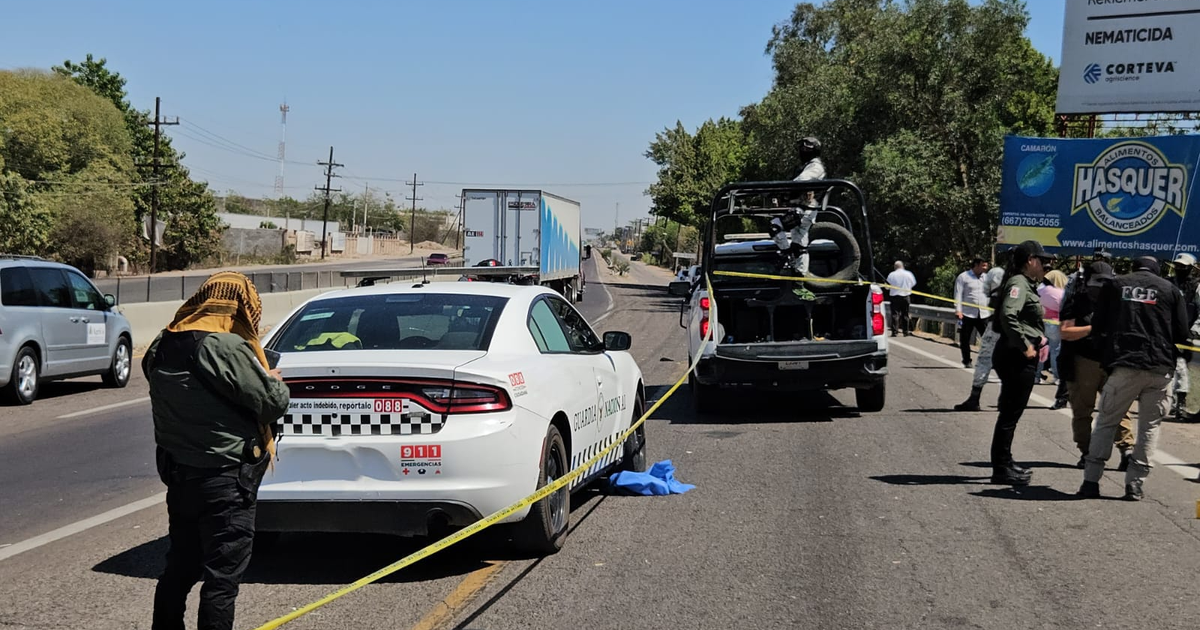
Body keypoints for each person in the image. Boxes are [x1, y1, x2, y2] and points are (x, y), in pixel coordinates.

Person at [147, 271, 291, 630]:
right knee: (221, 580)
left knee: (180, 567)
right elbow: (272, 403)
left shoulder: (161, 343)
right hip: (226, 481)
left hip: (180, 476)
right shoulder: (224, 347)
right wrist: (274, 381)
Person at [1078, 256, 1190, 501]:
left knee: (1107, 422)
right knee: (1149, 428)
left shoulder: (1116, 285)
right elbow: (1182, 331)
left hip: (1124, 366)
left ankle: (1090, 481)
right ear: (1157, 270)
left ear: (1133, 268)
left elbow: (1098, 325)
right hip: (1160, 368)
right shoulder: (1171, 290)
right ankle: (1135, 485)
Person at [1059, 261, 1134, 470]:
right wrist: (1093, 328)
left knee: (1119, 408)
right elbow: (1065, 332)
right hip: (1083, 362)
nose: (1102, 287)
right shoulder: (1077, 301)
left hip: (1112, 362)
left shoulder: (1118, 302)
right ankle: (1087, 452)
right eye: (1098, 281)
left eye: (1107, 282)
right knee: (1083, 411)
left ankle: (1126, 450)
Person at [989, 240, 1052, 485]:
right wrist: (1025, 344)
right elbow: (1008, 314)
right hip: (1015, 355)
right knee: (1010, 414)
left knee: (1010, 413)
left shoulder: (1026, 284)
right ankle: (1001, 469)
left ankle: (1005, 461)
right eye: (1041, 260)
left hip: (1014, 353)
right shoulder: (1018, 283)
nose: (1045, 265)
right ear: (1030, 260)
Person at [953, 265, 1006, 411]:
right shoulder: (1025, 279)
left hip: (999, 324)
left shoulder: (999, 274)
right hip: (1015, 328)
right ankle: (1005, 400)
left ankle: (974, 398)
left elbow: (992, 299)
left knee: (984, 358)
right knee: (1007, 364)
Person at [1168, 253, 1200, 422]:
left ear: (1191, 268)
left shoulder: (1197, 287)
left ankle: (1182, 404)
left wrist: (1194, 331)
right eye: (1177, 266)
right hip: (1167, 334)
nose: (1179, 269)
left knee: (1185, 370)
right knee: (1171, 369)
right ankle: (1172, 404)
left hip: (1190, 337)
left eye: (1183, 266)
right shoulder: (1168, 284)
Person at [1038, 269, 1070, 409]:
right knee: (1056, 351)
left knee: (1042, 349)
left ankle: (1036, 374)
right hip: (1056, 324)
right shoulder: (1061, 293)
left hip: (1042, 322)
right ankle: (1057, 376)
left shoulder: (1040, 289)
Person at [954, 258, 992, 368]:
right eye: (983, 266)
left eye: (986, 266)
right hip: (967, 313)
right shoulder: (963, 277)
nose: (985, 268)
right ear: (976, 265)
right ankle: (966, 360)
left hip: (983, 313)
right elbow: (958, 294)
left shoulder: (986, 278)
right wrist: (958, 310)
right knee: (965, 339)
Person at [885, 261, 917, 336]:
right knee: (905, 314)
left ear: (895, 267)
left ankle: (895, 332)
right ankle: (905, 332)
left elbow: (887, 287)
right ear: (902, 266)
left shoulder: (891, 275)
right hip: (906, 296)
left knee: (895, 315)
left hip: (895, 296)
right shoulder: (908, 274)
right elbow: (913, 283)